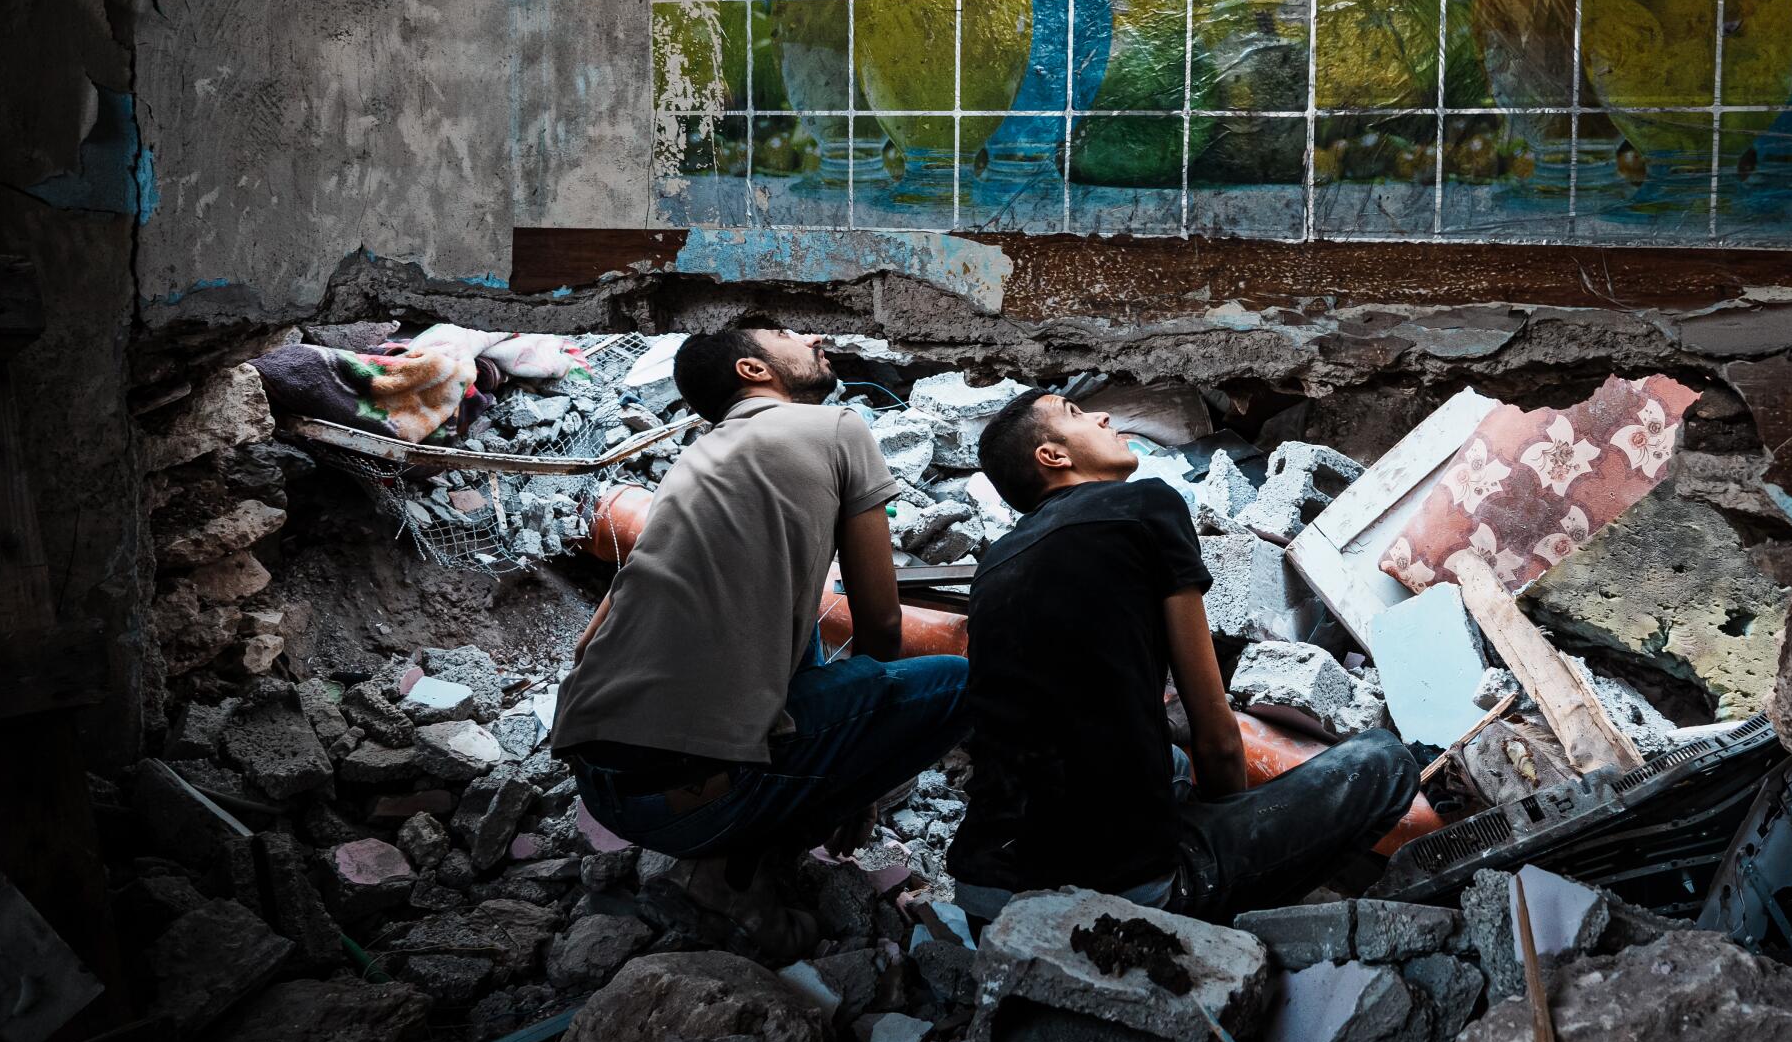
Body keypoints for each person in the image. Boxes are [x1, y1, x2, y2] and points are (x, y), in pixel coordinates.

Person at [948, 390, 1418, 923]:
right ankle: (1212, 915)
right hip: (1116, 898)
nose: (1104, 415)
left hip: (985, 889)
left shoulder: (994, 563)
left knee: (1171, 765)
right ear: (1052, 456)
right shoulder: (1145, 504)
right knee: (1384, 762)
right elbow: (1214, 731)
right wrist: (1232, 831)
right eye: (1075, 415)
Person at [552, 328, 969, 888]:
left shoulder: (692, 463)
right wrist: (862, 781)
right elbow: (882, 625)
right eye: (784, 334)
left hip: (601, 787)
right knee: (963, 682)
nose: (813, 336)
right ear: (753, 369)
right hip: (704, 802)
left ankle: (734, 850)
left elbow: (586, 645)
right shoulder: (837, 427)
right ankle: (746, 871)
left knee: (804, 637)